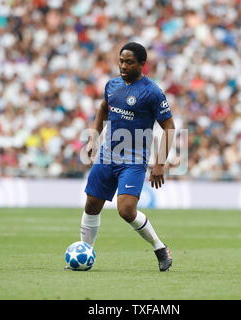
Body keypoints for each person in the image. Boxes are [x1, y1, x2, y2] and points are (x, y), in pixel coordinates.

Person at [79, 42, 175, 271]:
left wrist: (160, 163)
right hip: (107, 156)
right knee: (92, 205)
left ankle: (160, 248)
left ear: (142, 64)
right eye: (121, 61)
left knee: (126, 210)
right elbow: (103, 108)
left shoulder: (152, 92)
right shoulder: (112, 85)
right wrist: (94, 137)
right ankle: (85, 253)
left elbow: (169, 127)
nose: (123, 65)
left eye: (129, 62)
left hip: (133, 160)